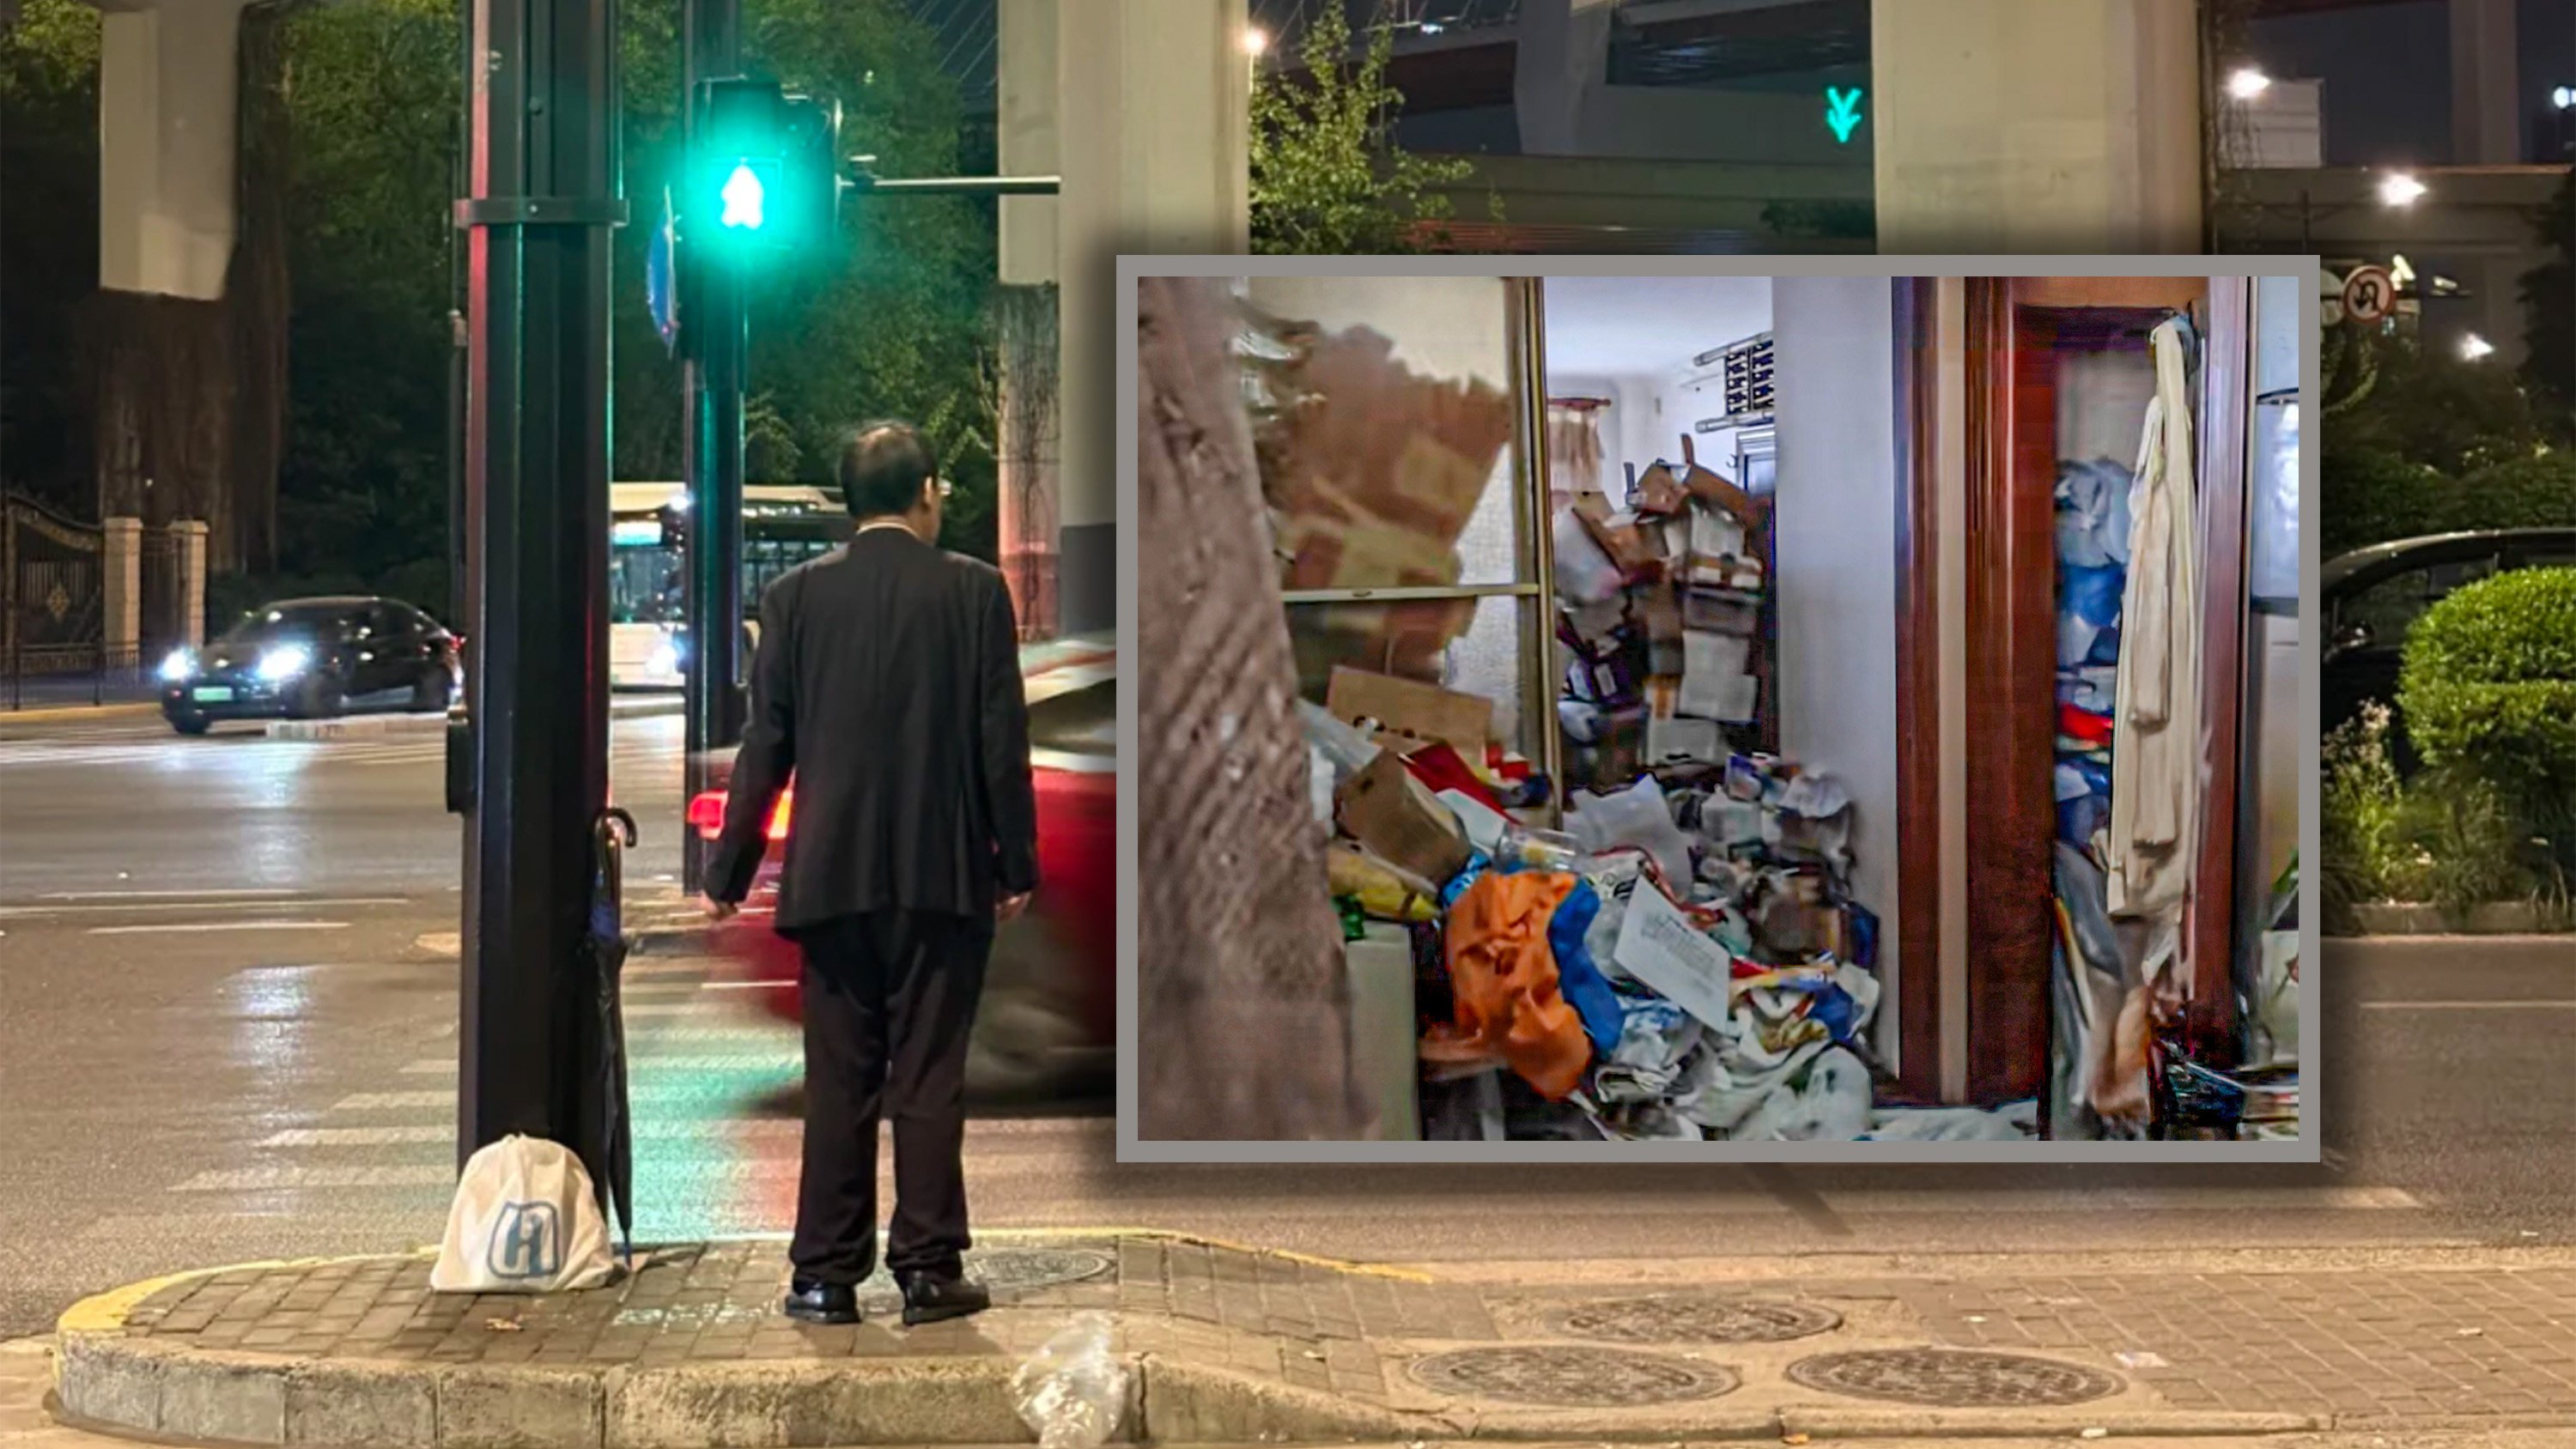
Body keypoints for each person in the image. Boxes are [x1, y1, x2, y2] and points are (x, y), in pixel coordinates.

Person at [702, 420, 1037, 1328]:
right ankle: (928, 1267)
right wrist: (1016, 859)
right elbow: (1000, 742)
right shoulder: (974, 593)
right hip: (943, 874)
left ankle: (824, 1274)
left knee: (839, 1079)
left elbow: (766, 740)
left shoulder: (796, 597)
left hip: (833, 877)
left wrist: (729, 866)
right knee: (929, 1075)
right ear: (927, 490)